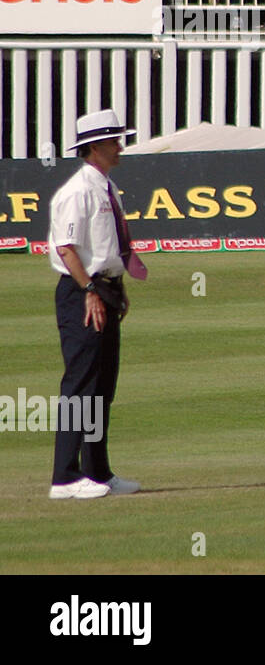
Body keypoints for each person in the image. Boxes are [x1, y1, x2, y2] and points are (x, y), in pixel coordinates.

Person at [47, 110, 146, 500]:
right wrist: (90, 289)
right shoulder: (77, 190)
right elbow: (66, 247)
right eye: (114, 139)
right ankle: (64, 477)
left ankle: (98, 471)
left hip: (103, 287)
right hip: (81, 292)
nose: (120, 146)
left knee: (102, 386)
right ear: (97, 145)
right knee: (80, 385)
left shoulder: (106, 186)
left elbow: (108, 245)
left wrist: (115, 289)